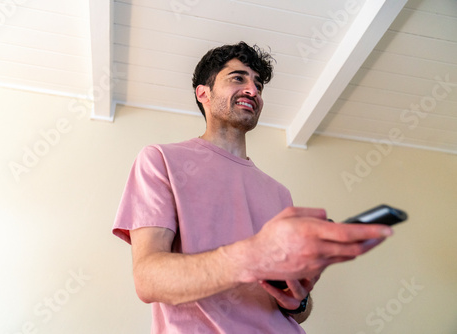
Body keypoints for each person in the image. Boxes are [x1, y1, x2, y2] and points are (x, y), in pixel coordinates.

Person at [112, 41, 393, 333]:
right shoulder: (160, 160)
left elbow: (298, 311)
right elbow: (148, 279)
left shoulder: (279, 193)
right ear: (203, 92)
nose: (253, 90)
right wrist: (253, 255)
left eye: (258, 84)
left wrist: (298, 298)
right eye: (238, 78)